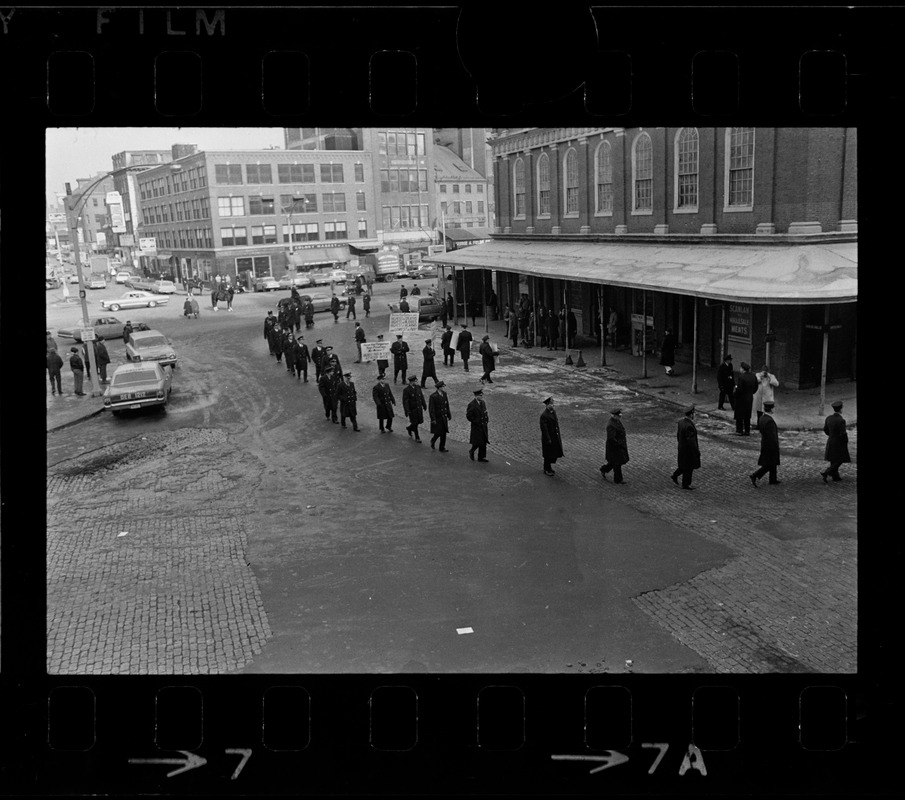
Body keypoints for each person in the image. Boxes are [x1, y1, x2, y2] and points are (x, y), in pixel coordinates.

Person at [750, 401, 781, 486]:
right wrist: (776, 446)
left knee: (772, 463)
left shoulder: (762, 418)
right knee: (769, 464)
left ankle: (773, 479)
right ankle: (755, 475)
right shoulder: (770, 421)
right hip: (770, 445)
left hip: (765, 443)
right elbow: (772, 436)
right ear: (771, 409)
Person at [821, 400, 851, 483]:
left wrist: (831, 435)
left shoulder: (828, 418)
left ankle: (835, 476)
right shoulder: (841, 420)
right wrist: (845, 441)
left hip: (831, 440)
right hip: (839, 442)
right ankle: (827, 472)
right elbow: (843, 433)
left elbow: (825, 430)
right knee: (840, 459)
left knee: (833, 459)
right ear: (840, 409)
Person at [671, 405, 700, 489]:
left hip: (682, 448)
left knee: (683, 465)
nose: (695, 415)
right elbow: (691, 441)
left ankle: (675, 475)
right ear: (691, 414)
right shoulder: (689, 426)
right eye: (694, 413)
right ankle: (686, 484)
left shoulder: (681, 422)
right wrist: (696, 451)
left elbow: (678, 435)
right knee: (689, 467)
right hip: (688, 450)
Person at [599, 408, 629, 484]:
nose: (620, 417)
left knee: (613, 462)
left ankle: (604, 469)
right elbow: (611, 438)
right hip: (615, 447)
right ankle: (618, 479)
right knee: (617, 463)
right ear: (615, 416)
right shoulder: (611, 425)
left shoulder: (616, 422)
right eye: (618, 416)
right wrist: (619, 444)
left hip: (618, 446)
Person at [539, 396, 564, 476]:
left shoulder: (553, 412)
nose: (553, 405)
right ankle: (546, 469)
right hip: (549, 438)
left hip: (554, 437)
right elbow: (544, 429)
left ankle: (548, 468)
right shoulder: (544, 415)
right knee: (548, 454)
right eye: (551, 404)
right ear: (547, 405)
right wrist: (548, 439)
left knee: (553, 453)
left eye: (553, 404)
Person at [734, 361, 757, 436]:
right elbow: (756, 387)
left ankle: (739, 430)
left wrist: (735, 394)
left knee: (739, 415)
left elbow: (739, 389)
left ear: (743, 369)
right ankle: (747, 430)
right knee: (747, 415)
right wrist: (750, 393)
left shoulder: (741, 377)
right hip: (749, 398)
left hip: (741, 399)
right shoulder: (753, 376)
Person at [466, 388, 490, 462]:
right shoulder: (472, 405)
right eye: (480, 395)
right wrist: (476, 421)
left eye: (482, 395)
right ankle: (472, 451)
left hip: (483, 425)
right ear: (476, 396)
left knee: (484, 441)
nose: (482, 396)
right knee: (478, 441)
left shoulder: (483, 403)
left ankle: (482, 457)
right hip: (477, 426)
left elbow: (485, 412)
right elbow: (469, 416)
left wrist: (486, 420)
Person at [402, 375, 427, 442]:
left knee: (418, 422)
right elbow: (405, 402)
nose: (417, 382)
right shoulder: (406, 390)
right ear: (412, 382)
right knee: (415, 423)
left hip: (418, 408)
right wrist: (407, 410)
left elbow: (421, 397)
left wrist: (424, 405)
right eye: (415, 381)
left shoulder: (418, 387)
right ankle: (417, 437)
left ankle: (409, 428)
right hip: (412, 410)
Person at [428, 380, 451, 451]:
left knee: (444, 432)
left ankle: (442, 447)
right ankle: (433, 440)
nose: (444, 388)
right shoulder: (433, 396)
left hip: (444, 416)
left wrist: (449, 414)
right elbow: (431, 409)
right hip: (438, 417)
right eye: (443, 386)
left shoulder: (444, 394)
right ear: (439, 388)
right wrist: (433, 419)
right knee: (439, 432)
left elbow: (447, 405)